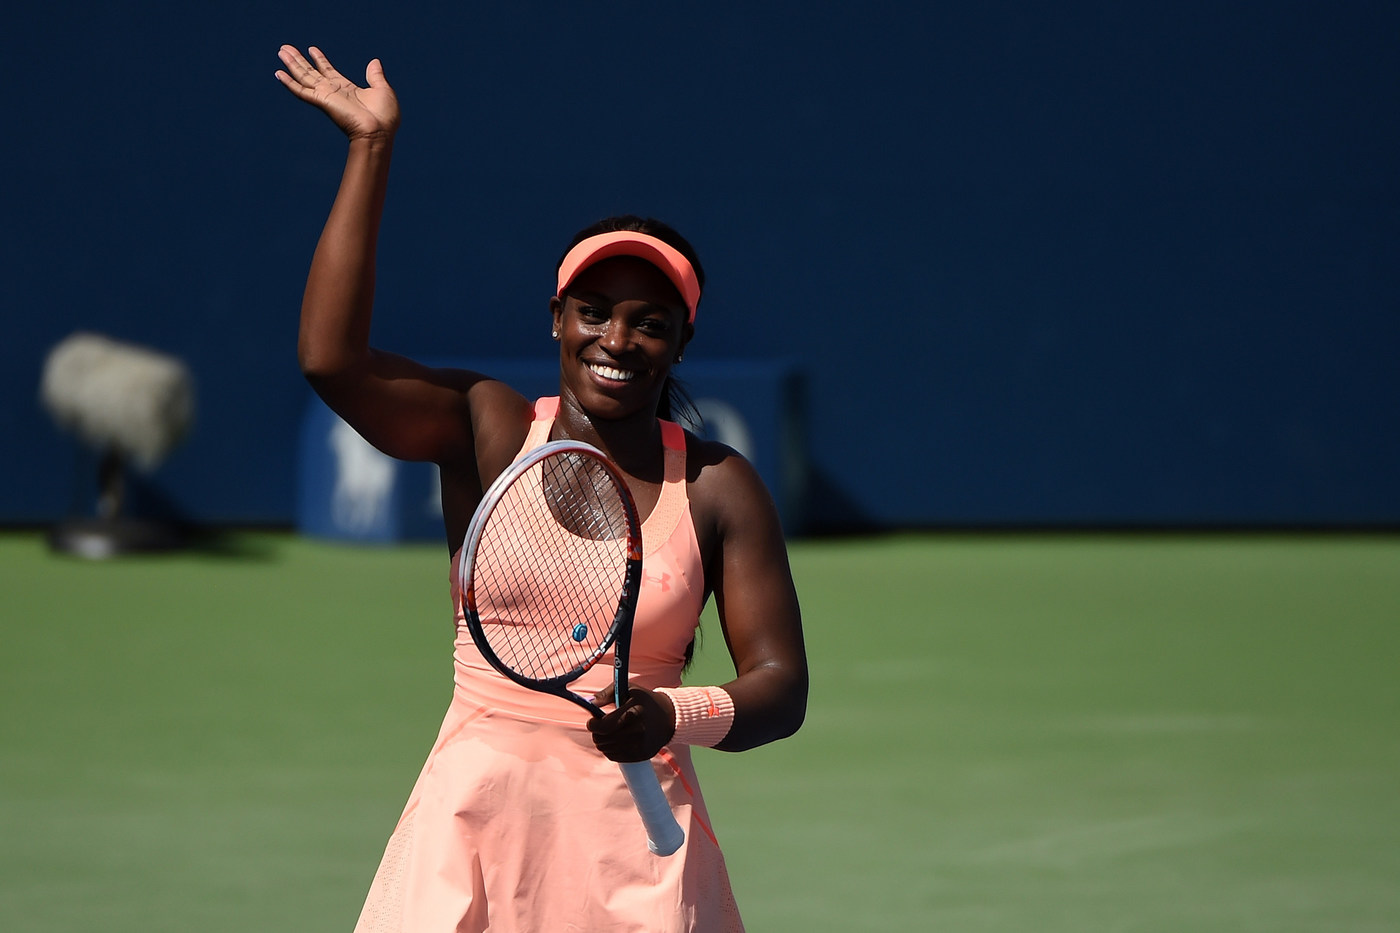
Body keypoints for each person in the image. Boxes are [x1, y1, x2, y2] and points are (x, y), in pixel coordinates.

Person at [275, 46, 808, 932]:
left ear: (680, 344)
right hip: (469, 825)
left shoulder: (719, 486)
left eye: (650, 324)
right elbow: (332, 362)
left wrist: (672, 712)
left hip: (632, 856)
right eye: (594, 311)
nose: (617, 339)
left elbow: (780, 686)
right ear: (557, 318)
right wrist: (371, 149)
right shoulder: (487, 427)